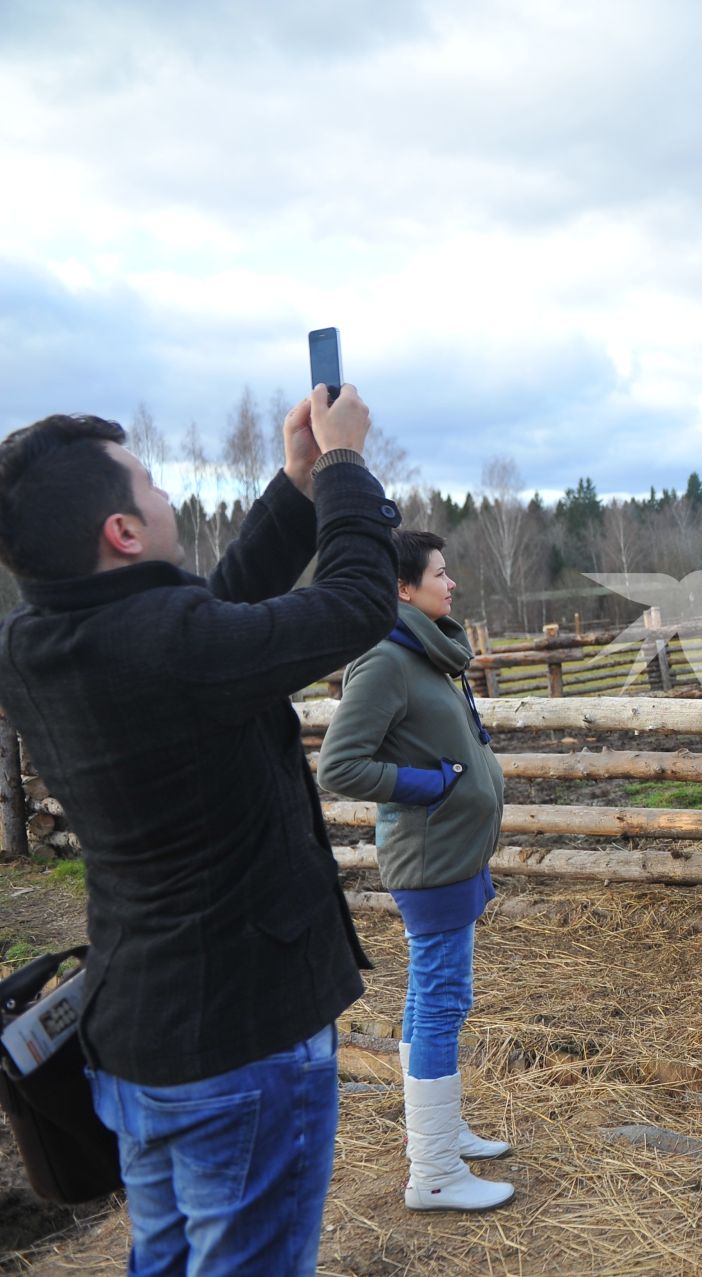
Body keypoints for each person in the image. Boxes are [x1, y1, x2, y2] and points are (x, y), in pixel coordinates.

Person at [0, 386, 399, 1275]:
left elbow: (205, 623)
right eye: (148, 483)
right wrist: (341, 468)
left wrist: (295, 488)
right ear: (123, 533)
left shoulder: (32, 643)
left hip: (139, 1038)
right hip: (241, 1043)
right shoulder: (167, 647)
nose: (166, 494)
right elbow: (360, 601)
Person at [317, 530, 512, 1212]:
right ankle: (431, 1171)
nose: (451, 582)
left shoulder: (430, 651)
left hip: (455, 854)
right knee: (440, 999)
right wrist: (429, 786)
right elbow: (338, 765)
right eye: (440, 572)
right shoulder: (385, 660)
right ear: (403, 587)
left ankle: (442, 1128)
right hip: (430, 859)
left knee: (438, 998)